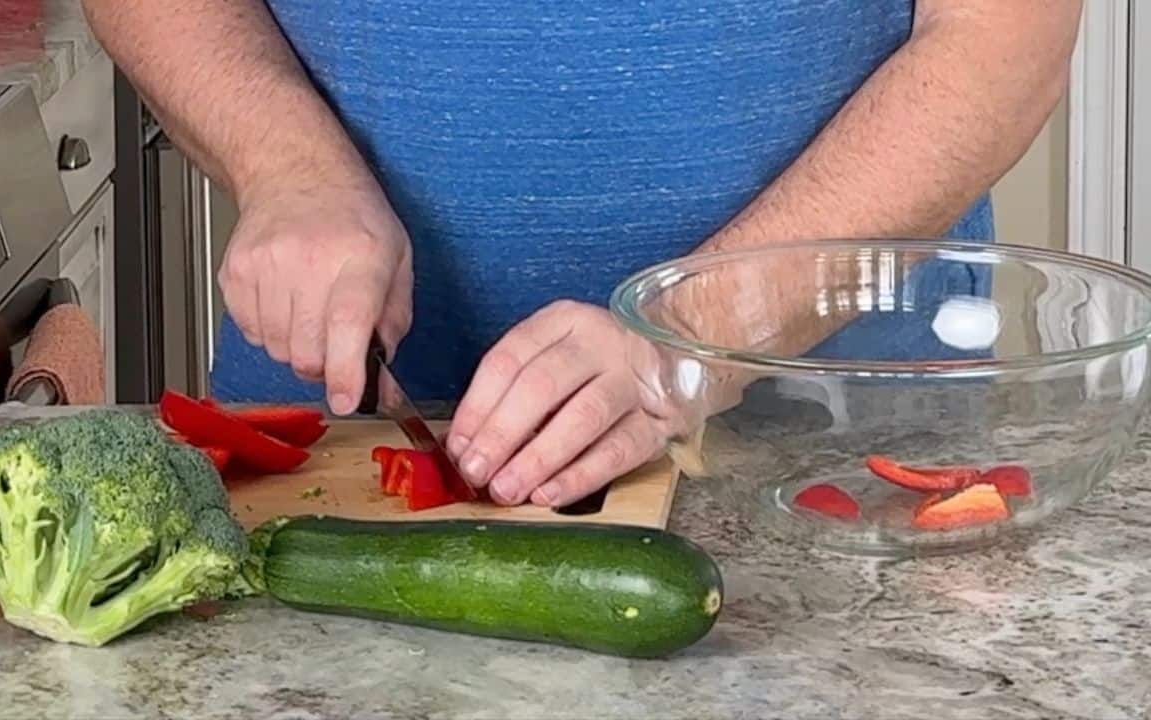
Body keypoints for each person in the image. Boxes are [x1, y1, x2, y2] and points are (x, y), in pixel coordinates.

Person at [83, 0, 1082, 509]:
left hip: (841, 444)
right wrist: (285, 163)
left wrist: (692, 337)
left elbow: (1005, 37)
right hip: (344, 439)